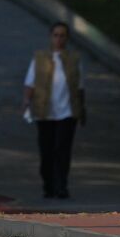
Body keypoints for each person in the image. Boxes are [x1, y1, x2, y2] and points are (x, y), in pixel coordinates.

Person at [21, 22, 85, 199]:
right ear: (51, 37)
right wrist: (26, 101)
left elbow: (79, 86)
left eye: (62, 35)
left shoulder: (74, 59)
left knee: (62, 150)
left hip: (67, 112)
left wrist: (81, 109)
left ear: (67, 38)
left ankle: (61, 185)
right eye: (56, 35)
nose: (59, 39)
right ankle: (48, 184)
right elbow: (30, 82)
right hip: (45, 112)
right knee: (46, 150)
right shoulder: (40, 58)